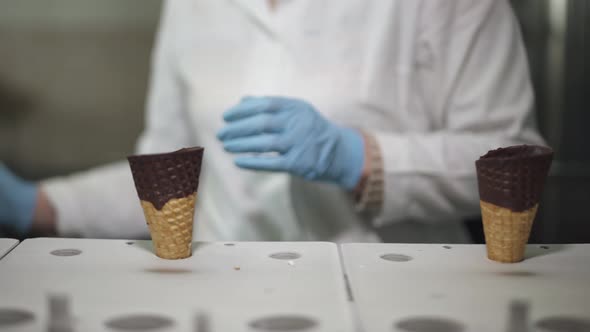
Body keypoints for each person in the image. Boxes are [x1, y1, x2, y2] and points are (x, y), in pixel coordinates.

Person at [0, 0, 544, 243]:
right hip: (223, 293)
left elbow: (513, 160)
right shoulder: (191, 6)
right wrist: (40, 206)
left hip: (391, 298)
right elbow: (172, 177)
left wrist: (361, 159)